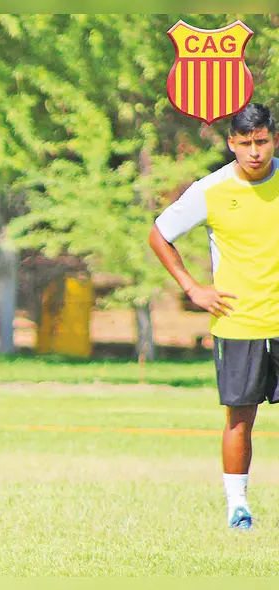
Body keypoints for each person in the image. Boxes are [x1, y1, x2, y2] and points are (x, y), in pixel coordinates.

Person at [149, 102, 279, 531]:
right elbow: (160, 234)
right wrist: (192, 288)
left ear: (274, 139)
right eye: (245, 144)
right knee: (239, 417)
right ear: (231, 145)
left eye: (261, 141)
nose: (254, 152)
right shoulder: (211, 189)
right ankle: (237, 507)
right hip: (238, 323)